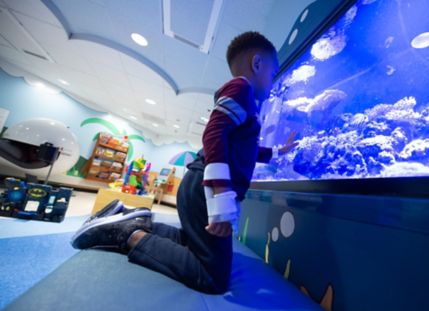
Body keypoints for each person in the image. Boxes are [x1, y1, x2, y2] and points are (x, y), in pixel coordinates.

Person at [71, 31, 297, 294]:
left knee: (194, 243)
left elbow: (244, 148)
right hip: (206, 188)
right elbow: (213, 133)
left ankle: (132, 221)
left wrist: (279, 152)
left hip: (198, 185)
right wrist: (221, 196)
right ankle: (127, 234)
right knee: (212, 278)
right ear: (257, 63)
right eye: (273, 72)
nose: (274, 81)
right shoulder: (242, 88)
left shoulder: (243, 97)